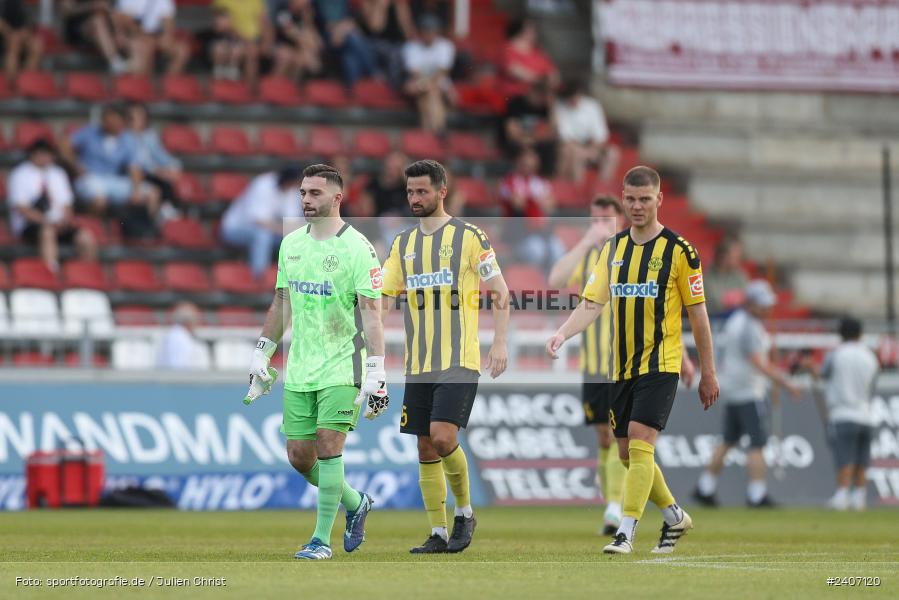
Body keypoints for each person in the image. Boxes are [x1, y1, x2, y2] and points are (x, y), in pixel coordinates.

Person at [546, 166, 720, 555]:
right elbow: (592, 303)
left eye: (645, 199)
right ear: (623, 200)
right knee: (626, 454)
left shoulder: (680, 251)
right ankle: (675, 516)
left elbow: (698, 315)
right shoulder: (613, 249)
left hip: (661, 363)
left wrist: (708, 371)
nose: (637, 206)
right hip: (620, 367)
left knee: (641, 442)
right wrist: (563, 334)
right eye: (631, 199)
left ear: (659, 200)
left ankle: (625, 532)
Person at [246, 163, 388, 560]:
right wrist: (262, 351)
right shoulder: (291, 243)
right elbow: (282, 302)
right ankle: (356, 502)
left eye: (315, 193)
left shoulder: (358, 247)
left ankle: (320, 540)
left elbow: (372, 315)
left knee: (328, 446)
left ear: (337, 198)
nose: (306, 200)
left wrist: (377, 370)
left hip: (345, 364)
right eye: (303, 193)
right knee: (300, 457)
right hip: (301, 366)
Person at [381, 159, 510, 554]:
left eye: (422, 191)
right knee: (424, 446)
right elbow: (384, 297)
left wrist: (499, 342)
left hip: (459, 358)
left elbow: (500, 291)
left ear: (442, 191)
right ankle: (437, 532)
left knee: (442, 436)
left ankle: (465, 512)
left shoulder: (470, 236)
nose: (415, 198)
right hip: (418, 363)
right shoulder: (402, 244)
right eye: (410, 191)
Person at [548, 196, 629, 534]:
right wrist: (585, 242)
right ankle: (612, 504)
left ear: (620, 220)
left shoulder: (630, 253)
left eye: (606, 219)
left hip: (625, 360)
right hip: (594, 364)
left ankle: (616, 508)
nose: (599, 225)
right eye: (594, 219)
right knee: (604, 437)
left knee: (620, 433)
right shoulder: (589, 255)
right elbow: (556, 279)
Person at [693, 280, 801, 508]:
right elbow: (758, 362)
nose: (767, 309)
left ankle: (705, 487)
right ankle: (756, 494)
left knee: (728, 440)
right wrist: (784, 382)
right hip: (748, 391)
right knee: (757, 443)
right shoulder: (748, 326)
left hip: (733, 389)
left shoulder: (737, 321)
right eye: (763, 305)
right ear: (750, 303)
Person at [808, 318, 880, 511]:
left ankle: (842, 495)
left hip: (842, 413)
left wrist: (809, 367)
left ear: (840, 334)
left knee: (844, 456)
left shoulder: (837, 354)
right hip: (866, 413)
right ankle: (860, 497)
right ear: (860, 334)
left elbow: (822, 374)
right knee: (862, 458)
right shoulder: (870, 356)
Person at [8, 139, 97, 272]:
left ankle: (88, 273)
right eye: (41, 154)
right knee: (47, 232)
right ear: (33, 154)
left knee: (85, 237)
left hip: (59, 224)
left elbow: (67, 204)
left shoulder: (58, 173)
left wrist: (65, 220)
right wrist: (47, 222)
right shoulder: (20, 174)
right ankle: (51, 272)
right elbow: (22, 208)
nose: (45, 157)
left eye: (47, 154)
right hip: (31, 225)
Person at [220, 165, 304, 278]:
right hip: (234, 229)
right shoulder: (263, 184)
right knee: (262, 235)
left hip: (271, 231)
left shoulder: (292, 190)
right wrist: (284, 228)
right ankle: (259, 277)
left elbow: (292, 221)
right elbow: (258, 221)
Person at [498, 147, 564, 272]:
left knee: (557, 249)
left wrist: (530, 200)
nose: (528, 165)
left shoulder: (541, 182)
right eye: (525, 161)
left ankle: (550, 282)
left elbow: (550, 205)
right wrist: (537, 201)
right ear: (518, 161)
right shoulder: (509, 181)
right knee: (536, 251)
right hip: (518, 234)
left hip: (541, 232)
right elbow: (518, 204)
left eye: (531, 160)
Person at [401, 15, 455, 133]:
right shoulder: (411, 46)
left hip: (433, 85)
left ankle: (429, 134)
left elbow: (442, 73)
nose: (429, 34)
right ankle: (438, 132)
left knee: (430, 95)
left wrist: (425, 85)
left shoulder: (445, 46)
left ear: (437, 32)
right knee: (430, 95)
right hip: (420, 84)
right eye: (426, 31)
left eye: (431, 31)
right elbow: (414, 73)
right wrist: (425, 85)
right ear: (420, 32)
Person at [555, 80, 616, 183]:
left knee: (612, 153)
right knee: (576, 153)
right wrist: (583, 151)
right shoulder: (560, 107)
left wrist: (592, 149)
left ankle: (603, 187)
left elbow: (600, 134)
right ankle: (577, 188)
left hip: (592, 147)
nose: (573, 99)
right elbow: (564, 137)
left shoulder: (592, 106)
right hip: (573, 147)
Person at [126, 102, 181, 212]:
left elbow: (161, 156)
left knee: (168, 179)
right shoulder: (124, 137)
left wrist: (173, 167)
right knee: (157, 185)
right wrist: (156, 170)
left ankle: (168, 210)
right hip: (133, 175)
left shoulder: (150, 136)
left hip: (152, 174)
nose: (137, 121)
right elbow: (136, 161)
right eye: (133, 118)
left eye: (140, 117)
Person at [114, 0, 189, 76]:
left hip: (157, 35)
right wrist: (143, 36)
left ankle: (169, 81)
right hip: (134, 36)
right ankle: (140, 80)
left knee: (182, 50)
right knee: (145, 48)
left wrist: (166, 36)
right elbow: (124, 20)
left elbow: (168, 19)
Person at [313, 0, 376, 86]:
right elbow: (324, 24)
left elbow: (352, 20)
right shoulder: (319, 2)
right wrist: (339, 30)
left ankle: (354, 90)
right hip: (328, 37)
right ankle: (373, 72)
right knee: (353, 38)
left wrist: (344, 28)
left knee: (349, 59)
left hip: (345, 33)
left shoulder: (345, 2)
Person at [501, 79, 556, 176]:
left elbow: (551, 133)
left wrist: (552, 108)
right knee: (522, 150)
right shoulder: (515, 104)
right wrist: (528, 140)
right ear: (532, 91)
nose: (541, 99)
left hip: (536, 142)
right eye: (540, 94)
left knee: (551, 148)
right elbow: (512, 131)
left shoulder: (545, 108)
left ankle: (545, 179)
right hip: (517, 142)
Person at [358, 0, 416, 89]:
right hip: (375, 42)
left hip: (397, 42)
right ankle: (395, 87)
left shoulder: (399, 4)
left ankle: (407, 83)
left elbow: (407, 31)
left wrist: (401, 10)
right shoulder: (369, 2)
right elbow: (376, 28)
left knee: (406, 51)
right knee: (394, 54)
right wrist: (381, 6)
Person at [60, 0, 128, 74]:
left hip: (106, 25)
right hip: (77, 27)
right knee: (98, 20)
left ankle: (128, 63)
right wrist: (92, 6)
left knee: (123, 25)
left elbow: (112, 10)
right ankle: (115, 62)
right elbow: (66, 10)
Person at [500, 18, 559, 98]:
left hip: (540, 94)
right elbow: (515, 72)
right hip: (517, 96)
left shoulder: (537, 51)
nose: (535, 33)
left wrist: (552, 79)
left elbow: (551, 70)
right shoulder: (507, 50)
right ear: (519, 31)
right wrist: (542, 80)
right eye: (530, 30)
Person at [272, 0, 323, 80]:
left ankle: (293, 85)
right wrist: (309, 44)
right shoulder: (283, 10)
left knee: (303, 59)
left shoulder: (310, 11)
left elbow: (319, 44)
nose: (307, 2)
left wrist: (308, 23)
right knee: (286, 55)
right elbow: (289, 32)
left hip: (300, 48)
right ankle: (275, 84)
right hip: (282, 45)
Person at [704, 236, 750, 318]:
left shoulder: (740, 275)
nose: (739, 257)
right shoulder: (706, 276)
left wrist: (728, 299)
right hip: (713, 319)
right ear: (723, 256)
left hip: (737, 318)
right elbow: (714, 302)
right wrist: (735, 299)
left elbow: (748, 298)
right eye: (735, 254)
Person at [155, 302, 209, 370]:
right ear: (188, 321)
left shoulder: (176, 335)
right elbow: (177, 366)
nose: (197, 324)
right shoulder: (178, 338)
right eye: (196, 320)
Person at [0, 0, 43, 82]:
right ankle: (11, 81)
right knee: (14, 44)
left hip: (21, 35)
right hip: (6, 37)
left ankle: (27, 79)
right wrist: (10, 33)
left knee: (37, 45)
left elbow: (30, 24)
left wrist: (24, 33)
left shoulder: (23, 4)